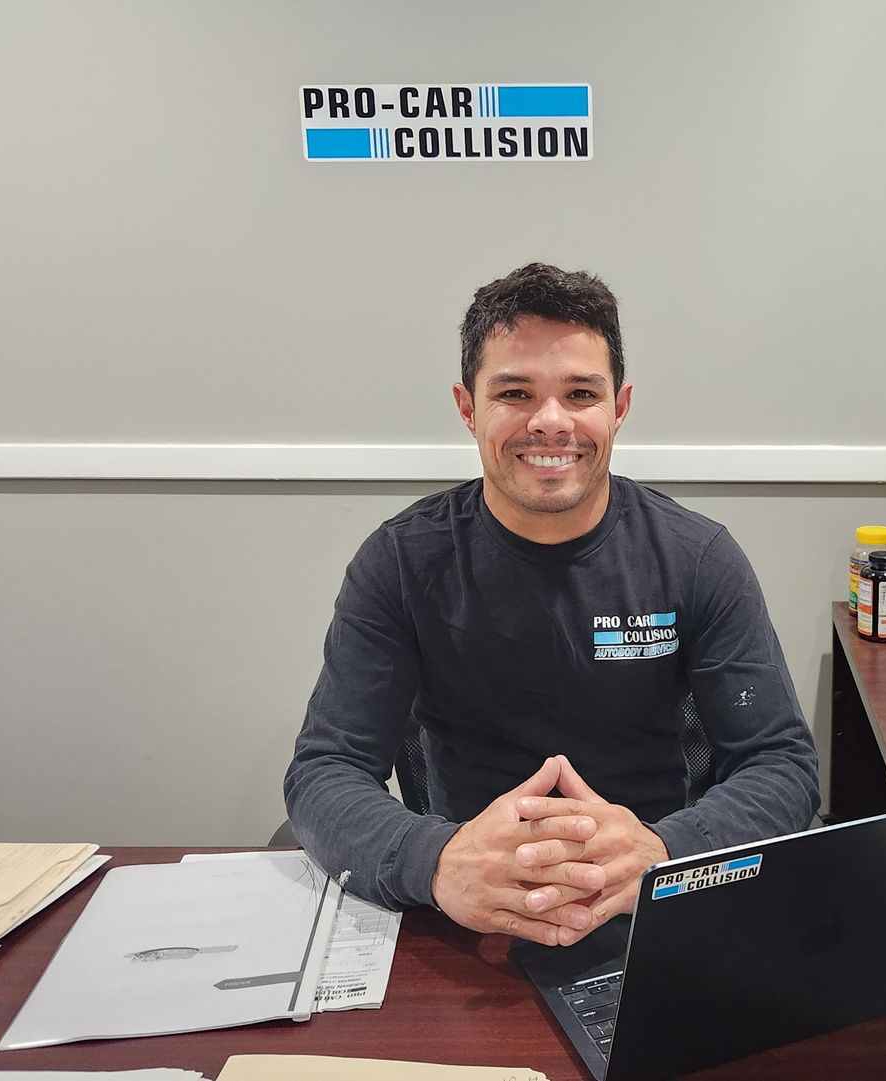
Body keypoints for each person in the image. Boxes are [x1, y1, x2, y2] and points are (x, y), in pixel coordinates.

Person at [284, 263, 820, 948]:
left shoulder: (698, 558)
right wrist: (437, 861)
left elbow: (780, 763)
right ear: (467, 407)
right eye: (515, 393)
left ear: (619, 407)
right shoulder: (400, 561)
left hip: (650, 900)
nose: (550, 422)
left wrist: (665, 850)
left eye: (580, 393)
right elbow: (325, 770)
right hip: (467, 907)